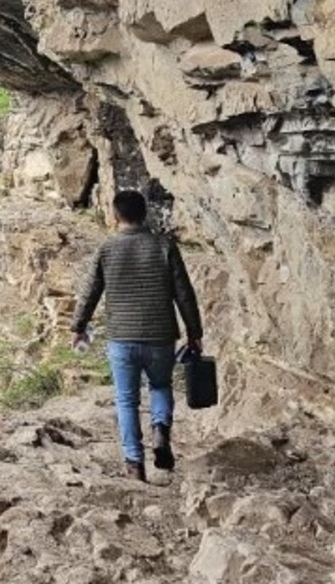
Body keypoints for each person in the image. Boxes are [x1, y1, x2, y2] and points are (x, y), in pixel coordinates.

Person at [70, 190, 203, 482]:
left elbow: (89, 293)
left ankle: (134, 464)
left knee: (126, 400)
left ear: (116, 215)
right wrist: (195, 333)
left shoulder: (106, 250)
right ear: (145, 213)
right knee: (160, 386)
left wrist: (79, 327)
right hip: (160, 336)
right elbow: (184, 293)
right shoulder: (164, 246)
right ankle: (159, 429)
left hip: (122, 338)